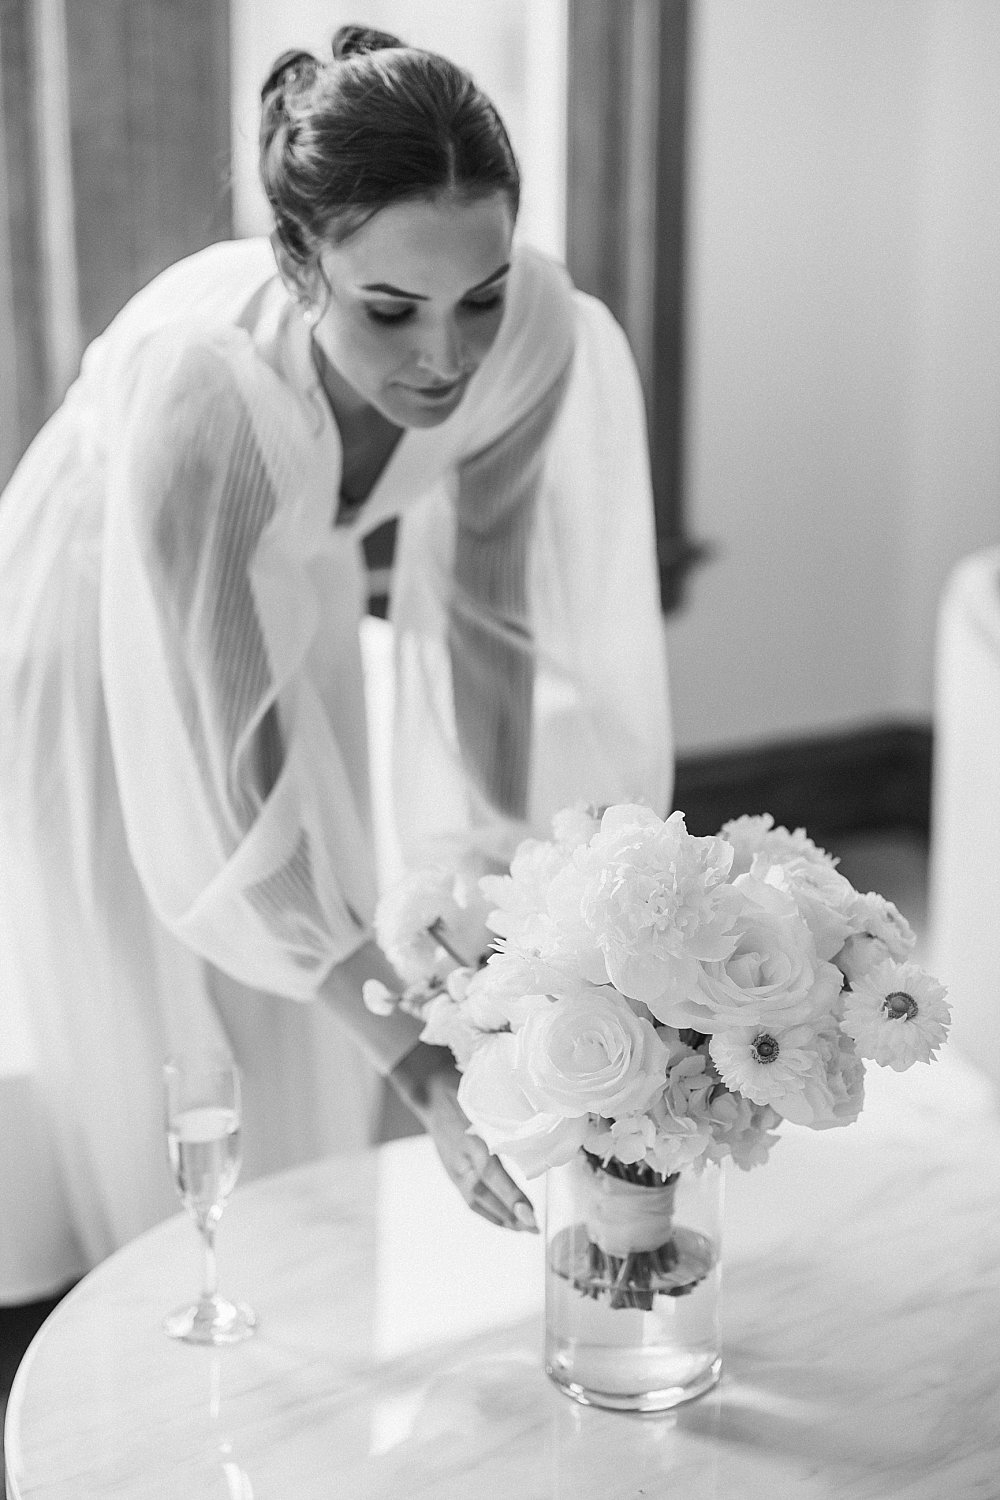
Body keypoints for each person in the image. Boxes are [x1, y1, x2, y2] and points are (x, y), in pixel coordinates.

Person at [0, 24, 672, 1280]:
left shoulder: (533, 330)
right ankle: (169, 1326)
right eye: (390, 310)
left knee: (320, 1012)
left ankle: (302, 1334)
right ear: (300, 264)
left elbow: (485, 617)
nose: (446, 358)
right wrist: (424, 1071)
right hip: (90, 628)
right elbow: (231, 789)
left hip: (285, 584)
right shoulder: (207, 393)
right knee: (176, 1024)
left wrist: (493, 880)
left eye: (478, 295)